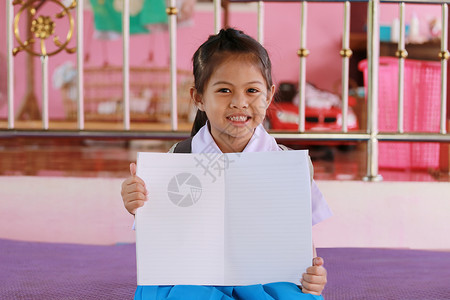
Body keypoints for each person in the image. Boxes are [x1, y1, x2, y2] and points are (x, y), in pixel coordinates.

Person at [121, 28, 332, 300]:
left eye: (252, 90)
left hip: (263, 277)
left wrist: (312, 275)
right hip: (194, 275)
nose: (239, 102)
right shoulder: (179, 158)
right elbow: (164, 225)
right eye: (224, 90)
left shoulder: (287, 163)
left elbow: (298, 238)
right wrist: (135, 203)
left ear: (268, 96)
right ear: (199, 98)